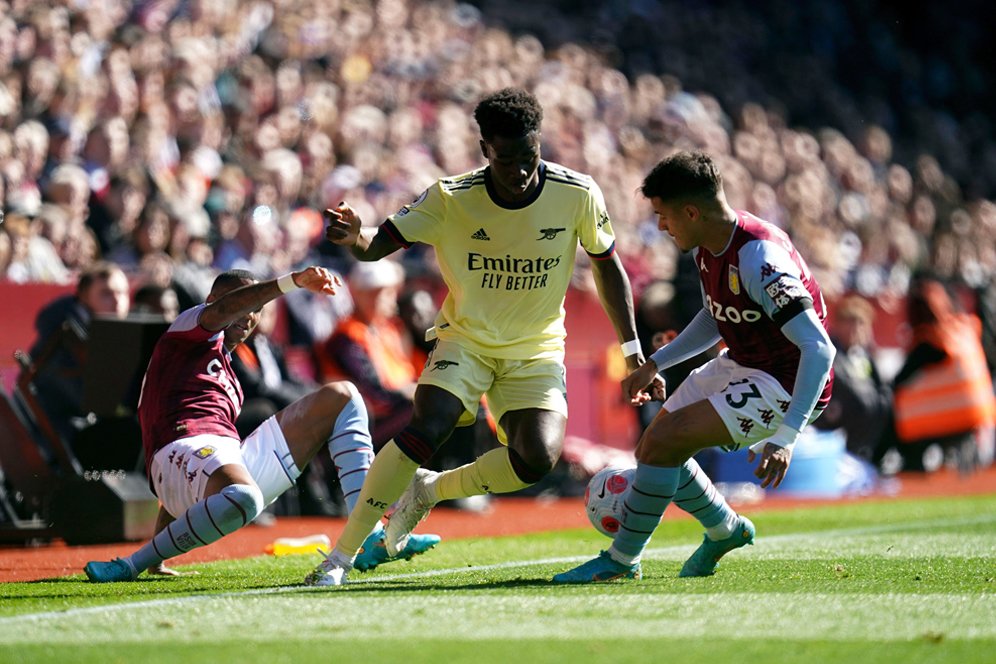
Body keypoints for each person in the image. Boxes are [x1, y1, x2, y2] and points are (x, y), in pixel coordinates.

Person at [309, 87, 649, 586]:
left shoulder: (577, 192)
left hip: (535, 348)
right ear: (486, 148)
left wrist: (633, 349)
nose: (520, 171)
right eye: (507, 159)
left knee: (537, 459)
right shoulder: (451, 197)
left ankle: (428, 490)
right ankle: (339, 557)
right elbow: (374, 247)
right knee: (431, 423)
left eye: (529, 157)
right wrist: (354, 236)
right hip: (465, 341)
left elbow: (608, 265)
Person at [553, 151, 835, 583]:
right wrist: (656, 363)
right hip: (745, 363)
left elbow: (819, 348)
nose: (661, 226)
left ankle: (622, 560)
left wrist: (787, 435)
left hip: (788, 382)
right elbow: (714, 315)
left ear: (691, 211)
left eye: (664, 215)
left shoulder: (760, 257)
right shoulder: (708, 245)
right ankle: (725, 529)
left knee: (666, 441)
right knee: (653, 448)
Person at [83, 267, 439, 583]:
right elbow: (182, 455)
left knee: (344, 395)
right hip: (180, 451)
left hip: (216, 460)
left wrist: (164, 538)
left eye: (255, 309)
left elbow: (192, 475)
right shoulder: (187, 328)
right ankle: (129, 564)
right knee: (243, 495)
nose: (247, 313)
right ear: (211, 301)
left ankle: (369, 534)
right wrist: (292, 281)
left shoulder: (229, 374)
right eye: (239, 302)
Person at [314, 260, 421, 447]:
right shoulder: (346, 337)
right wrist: (414, 393)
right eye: (376, 293)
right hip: (364, 422)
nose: (387, 299)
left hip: (395, 410)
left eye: (388, 293)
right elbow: (376, 391)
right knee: (423, 411)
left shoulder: (389, 329)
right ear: (359, 295)